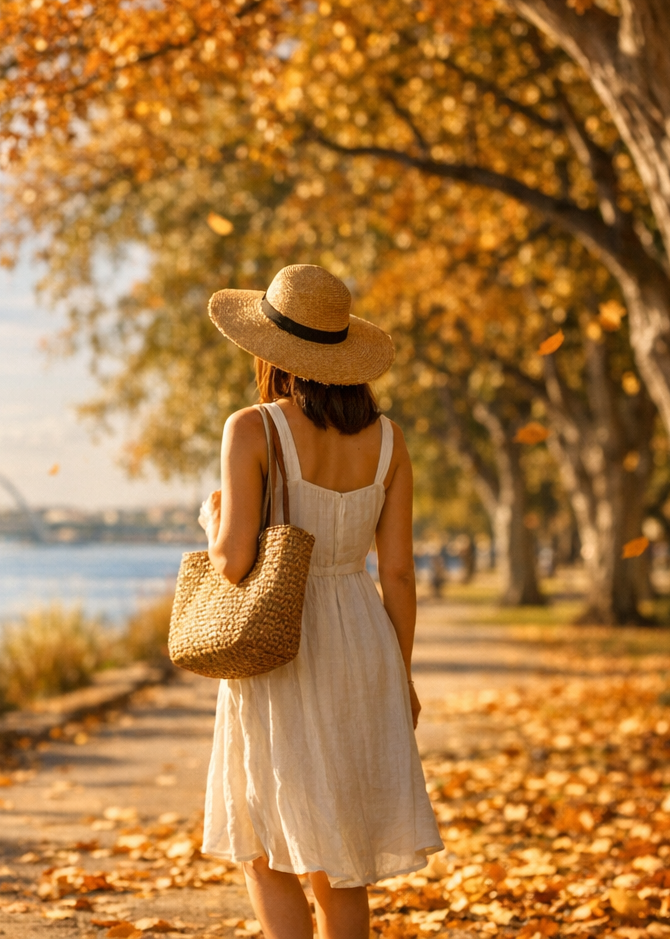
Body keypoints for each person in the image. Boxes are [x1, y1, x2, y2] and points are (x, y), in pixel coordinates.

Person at [196, 264, 442, 939]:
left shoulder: (252, 429)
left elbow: (234, 561)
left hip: (283, 643)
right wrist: (403, 674)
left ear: (269, 352)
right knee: (341, 860)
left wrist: (213, 520)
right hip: (363, 642)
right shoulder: (390, 443)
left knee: (265, 845)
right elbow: (397, 574)